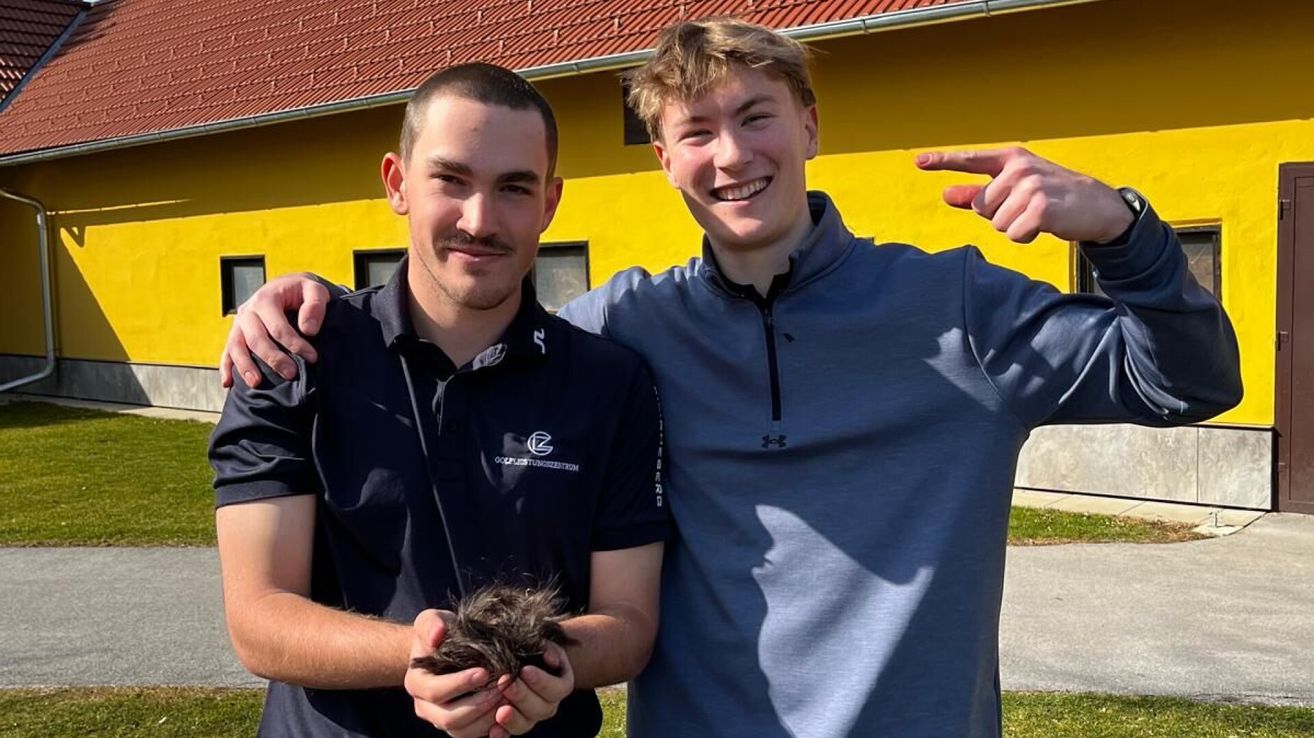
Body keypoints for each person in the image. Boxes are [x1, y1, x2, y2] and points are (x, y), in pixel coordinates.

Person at [220, 20, 1242, 738]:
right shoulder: (625, 330)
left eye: (755, 117)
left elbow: (1187, 384)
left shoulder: (959, 309)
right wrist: (311, 306)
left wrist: (1125, 232)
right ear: (665, 162)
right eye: (694, 133)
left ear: (809, 125)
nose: (730, 155)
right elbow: (471, 319)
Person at [208, 62, 667, 738]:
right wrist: (421, 656)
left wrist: (554, 666)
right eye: (451, 180)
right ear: (398, 183)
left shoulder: (612, 381)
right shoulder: (289, 355)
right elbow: (258, 619)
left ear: (550, 203)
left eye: (514, 187)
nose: (480, 220)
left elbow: (629, 623)